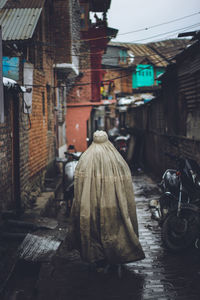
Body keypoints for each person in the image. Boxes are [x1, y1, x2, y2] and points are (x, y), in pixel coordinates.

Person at [70, 130, 145, 272]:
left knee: (95, 229)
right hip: (112, 204)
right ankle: (116, 254)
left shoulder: (86, 157)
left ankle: (99, 260)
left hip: (91, 205)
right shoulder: (115, 158)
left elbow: (79, 186)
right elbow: (125, 183)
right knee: (113, 228)